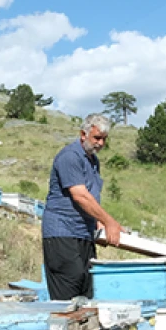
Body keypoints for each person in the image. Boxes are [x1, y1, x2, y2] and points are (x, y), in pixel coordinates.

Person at [41, 113, 123, 300]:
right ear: (83, 134)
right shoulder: (70, 156)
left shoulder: (93, 161)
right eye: (97, 138)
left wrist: (97, 223)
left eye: (104, 139)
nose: (100, 143)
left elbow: (91, 196)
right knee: (70, 283)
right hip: (62, 232)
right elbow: (80, 196)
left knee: (86, 284)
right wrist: (109, 221)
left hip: (83, 233)